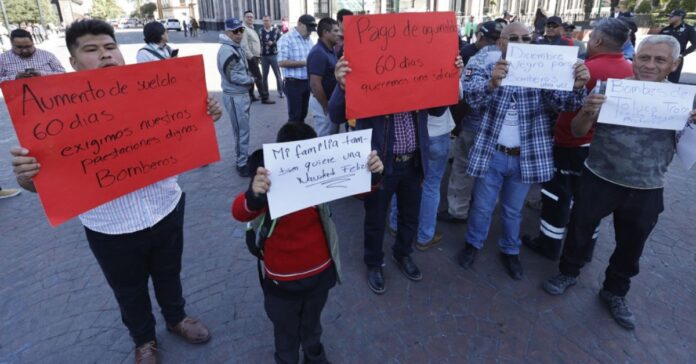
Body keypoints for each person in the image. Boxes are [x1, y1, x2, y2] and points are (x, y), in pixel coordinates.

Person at [9, 19, 221, 364]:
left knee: (170, 273)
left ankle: (176, 317)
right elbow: (40, 184)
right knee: (128, 289)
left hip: (166, 206)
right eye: (91, 50)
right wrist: (25, 176)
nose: (105, 55)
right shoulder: (52, 114)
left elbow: (188, 131)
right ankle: (144, 340)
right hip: (110, 226)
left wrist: (207, 113)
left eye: (110, 47)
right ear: (73, 61)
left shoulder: (155, 90)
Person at [542, 35, 691, 331]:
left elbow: (688, 150)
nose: (649, 65)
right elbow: (576, 129)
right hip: (599, 177)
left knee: (632, 245)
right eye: (644, 58)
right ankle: (568, 272)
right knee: (579, 230)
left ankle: (615, 291)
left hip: (647, 187)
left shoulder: (683, 101)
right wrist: (587, 111)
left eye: (659, 60)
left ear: (674, 64)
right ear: (633, 58)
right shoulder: (609, 89)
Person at [232, 122, 383, 364]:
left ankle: (314, 355)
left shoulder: (321, 176)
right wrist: (253, 194)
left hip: (319, 274)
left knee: (312, 324)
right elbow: (240, 212)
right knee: (284, 331)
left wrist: (372, 172)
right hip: (281, 280)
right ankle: (287, 358)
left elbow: (363, 191)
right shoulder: (268, 181)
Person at [457, 22, 589, 280]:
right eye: (512, 37)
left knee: (512, 210)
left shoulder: (544, 71)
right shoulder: (487, 66)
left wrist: (577, 86)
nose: (519, 42)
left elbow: (567, 103)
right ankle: (473, 244)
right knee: (482, 207)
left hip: (525, 156)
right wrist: (492, 84)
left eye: (525, 38)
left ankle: (510, 250)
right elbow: (471, 100)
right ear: (501, 43)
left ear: (532, 42)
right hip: (491, 153)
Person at [329, 54, 464, 294]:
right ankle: (373, 263)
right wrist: (341, 86)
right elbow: (336, 114)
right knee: (376, 219)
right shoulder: (367, 74)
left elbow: (437, 109)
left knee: (410, 216)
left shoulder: (417, 75)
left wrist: (450, 77)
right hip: (380, 164)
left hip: (413, 162)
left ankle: (402, 253)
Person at [522, 18, 634, 261]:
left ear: (598, 40)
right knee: (588, 202)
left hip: (571, 144)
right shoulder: (630, 71)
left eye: (592, 35)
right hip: (602, 148)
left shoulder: (585, 70)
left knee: (557, 196)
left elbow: (557, 103)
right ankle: (583, 250)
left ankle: (549, 244)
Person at [440, 20, 504, 224]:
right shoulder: (511, 58)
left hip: (474, 125)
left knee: (462, 167)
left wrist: (458, 122)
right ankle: (483, 208)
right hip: (499, 130)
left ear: (479, 36)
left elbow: (464, 95)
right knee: (490, 172)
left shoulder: (477, 57)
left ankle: (458, 210)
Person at [389, 107, 456, 250]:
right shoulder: (443, 82)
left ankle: (395, 225)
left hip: (412, 133)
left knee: (401, 180)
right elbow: (457, 94)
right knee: (431, 185)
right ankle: (425, 236)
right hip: (436, 132)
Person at [217, 18, 255, 178]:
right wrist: (250, 80)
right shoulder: (227, 50)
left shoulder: (233, 46)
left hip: (239, 94)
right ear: (227, 32)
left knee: (242, 130)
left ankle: (242, 157)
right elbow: (231, 74)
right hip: (235, 96)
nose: (239, 34)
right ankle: (241, 163)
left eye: (241, 30)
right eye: (235, 31)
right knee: (241, 131)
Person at [278, 15, 316, 123]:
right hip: (293, 83)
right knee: (295, 116)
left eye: (311, 30)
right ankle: (292, 138)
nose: (309, 32)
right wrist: (305, 63)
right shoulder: (286, 38)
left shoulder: (309, 40)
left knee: (303, 114)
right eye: (308, 29)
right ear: (299, 24)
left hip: (306, 82)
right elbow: (281, 62)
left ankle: (300, 137)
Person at [307, 18, 339, 137]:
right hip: (322, 103)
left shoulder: (330, 50)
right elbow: (315, 84)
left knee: (332, 136)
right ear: (326, 33)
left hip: (329, 102)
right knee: (325, 138)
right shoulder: (318, 53)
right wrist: (326, 106)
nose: (339, 34)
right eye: (335, 31)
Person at [0, 29, 64, 82]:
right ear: (11, 44)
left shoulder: (48, 55)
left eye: (28, 46)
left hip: (48, 94)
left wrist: (42, 74)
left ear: (33, 42)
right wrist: (15, 77)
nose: (24, 50)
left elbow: (63, 73)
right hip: (17, 96)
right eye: (19, 47)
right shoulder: (2, 59)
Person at [242, 10, 275, 104]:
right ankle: (264, 97)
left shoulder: (251, 28)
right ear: (244, 18)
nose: (250, 18)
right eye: (248, 17)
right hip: (251, 57)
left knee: (252, 76)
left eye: (251, 17)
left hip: (255, 56)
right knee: (259, 77)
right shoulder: (243, 28)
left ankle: (251, 96)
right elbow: (244, 45)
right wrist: (251, 57)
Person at [659, 9, 696, 83]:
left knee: (672, 82)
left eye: (671, 17)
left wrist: (682, 54)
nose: (669, 18)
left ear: (679, 17)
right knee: (658, 79)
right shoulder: (665, 29)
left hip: (676, 59)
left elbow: (695, 44)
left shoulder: (688, 29)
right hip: (661, 58)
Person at [260, 15, 283, 99]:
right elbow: (258, 43)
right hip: (264, 56)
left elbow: (281, 42)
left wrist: (273, 43)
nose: (266, 22)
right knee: (264, 76)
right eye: (264, 21)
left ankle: (281, 91)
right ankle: (265, 92)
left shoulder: (276, 31)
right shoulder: (260, 31)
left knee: (278, 74)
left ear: (271, 21)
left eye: (267, 20)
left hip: (274, 55)